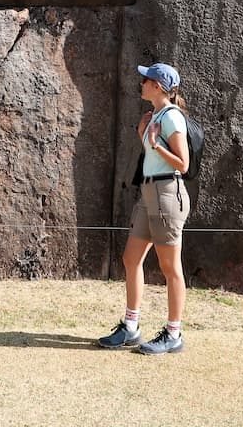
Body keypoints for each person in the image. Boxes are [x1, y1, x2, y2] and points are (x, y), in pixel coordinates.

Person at [98, 62, 190, 355]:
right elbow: (154, 155)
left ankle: (174, 333)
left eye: (146, 80)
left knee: (169, 267)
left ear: (158, 86)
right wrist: (144, 134)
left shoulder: (172, 118)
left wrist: (155, 144)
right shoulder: (155, 116)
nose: (141, 83)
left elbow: (183, 164)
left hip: (166, 193)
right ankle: (131, 327)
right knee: (130, 257)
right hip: (149, 191)